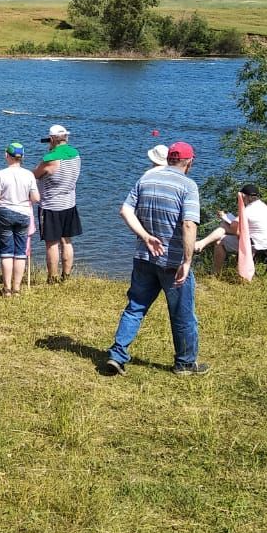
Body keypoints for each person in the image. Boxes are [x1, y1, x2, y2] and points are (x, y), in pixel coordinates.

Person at [106, 141, 209, 377]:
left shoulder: (147, 179)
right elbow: (188, 224)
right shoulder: (188, 186)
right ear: (189, 162)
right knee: (182, 314)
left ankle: (117, 355)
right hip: (171, 263)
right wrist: (187, 261)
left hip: (144, 256)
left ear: (169, 159)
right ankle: (185, 364)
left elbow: (125, 210)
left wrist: (145, 236)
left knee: (135, 308)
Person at [33, 124, 82, 283]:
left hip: (51, 206)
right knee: (67, 241)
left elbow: (35, 174)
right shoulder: (76, 154)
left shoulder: (51, 159)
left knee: (51, 243)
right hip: (69, 203)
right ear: (66, 137)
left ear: (52, 139)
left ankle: (52, 277)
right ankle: (66, 275)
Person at [194, 183, 267, 275]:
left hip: (254, 243)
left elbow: (234, 229)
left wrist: (225, 218)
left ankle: (215, 272)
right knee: (225, 225)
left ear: (245, 196)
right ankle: (202, 244)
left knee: (219, 240)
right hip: (266, 242)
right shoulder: (263, 207)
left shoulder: (249, 210)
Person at [0, 142, 39, 297]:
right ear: (22, 157)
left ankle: (6, 289)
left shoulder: (1, 174)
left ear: (7, 156)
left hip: (4, 212)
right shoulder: (29, 174)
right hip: (24, 214)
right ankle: (16, 289)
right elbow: (36, 197)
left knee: (6, 252)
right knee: (20, 252)